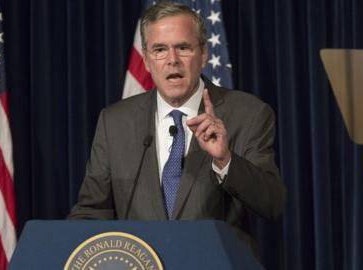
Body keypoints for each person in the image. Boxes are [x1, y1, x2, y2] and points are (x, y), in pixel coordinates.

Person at [69, 1, 286, 257]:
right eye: (160, 50)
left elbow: (272, 203)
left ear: (203, 54)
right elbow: (92, 211)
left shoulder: (247, 114)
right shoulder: (115, 122)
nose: (172, 60)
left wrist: (224, 160)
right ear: (147, 60)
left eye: (183, 48)